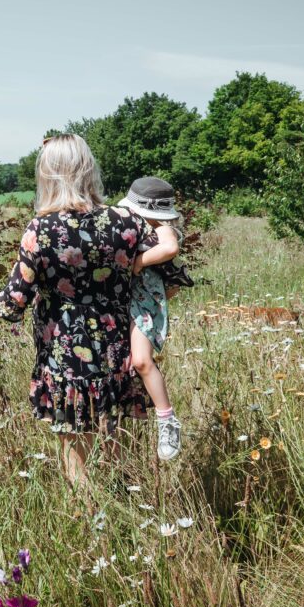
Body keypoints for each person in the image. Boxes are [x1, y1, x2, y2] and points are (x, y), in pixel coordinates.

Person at [0, 134, 151, 486]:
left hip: (66, 360)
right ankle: (124, 519)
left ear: (49, 175)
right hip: (118, 353)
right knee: (118, 454)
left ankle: (94, 525)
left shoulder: (41, 230)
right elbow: (166, 272)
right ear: (88, 169)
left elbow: (13, 301)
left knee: (78, 461)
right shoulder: (126, 222)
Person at [119, 176, 194, 461]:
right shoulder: (128, 223)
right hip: (121, 301)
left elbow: (170, 249)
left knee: (141, 360)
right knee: (124, 365)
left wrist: (140, 262)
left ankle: (168, 421)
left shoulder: (163, 228)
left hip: (145, 304)